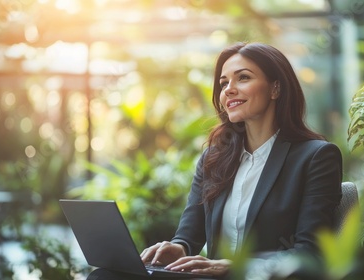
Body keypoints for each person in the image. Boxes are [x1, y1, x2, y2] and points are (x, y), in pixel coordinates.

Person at [140, 42, 343, 277]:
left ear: (275, 88)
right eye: (224, 83)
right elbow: (189, 236)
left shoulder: (316, 157)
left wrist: (235, 266)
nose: (229, 90)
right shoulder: (213, 158)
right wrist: (178, 248)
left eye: (243, 78)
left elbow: (310, 254)